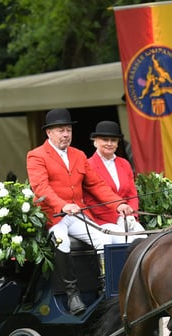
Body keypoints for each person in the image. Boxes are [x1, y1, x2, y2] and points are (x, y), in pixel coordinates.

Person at [25, 108, 134, 315]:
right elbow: (40, 187)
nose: (66, 134)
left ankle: (107, 288)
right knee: (61, 240)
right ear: (49, 133)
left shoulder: (79, 154)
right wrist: (62, 205)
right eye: (60, 130)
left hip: (76, 214)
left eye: (68, 130)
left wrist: (118, 203)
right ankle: (72, 293)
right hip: (52, 216)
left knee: (104, 239)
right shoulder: (36, 155)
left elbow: (96, 185)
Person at [85, 120, 143, 234]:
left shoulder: (124, 163)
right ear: (95, 142)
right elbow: (90, 201)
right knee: (124, 240)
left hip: (128, 218)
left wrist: (131, 215)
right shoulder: (88, 165)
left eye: (113, 140)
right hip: (103, 220)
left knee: (143, 239)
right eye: (105, 140)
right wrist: (117, 217)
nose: (110, 143)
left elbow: (132, 194)